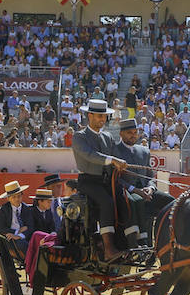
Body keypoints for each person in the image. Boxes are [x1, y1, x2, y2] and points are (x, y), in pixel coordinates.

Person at [72, 97, 128, 260]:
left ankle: (127, 242)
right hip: (87, 181)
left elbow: (116, 157)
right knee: (106, 202)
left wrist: (121, 163)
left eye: (104, 116)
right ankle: (108, 248)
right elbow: (90, 155)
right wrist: (113, 160)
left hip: (106, 181)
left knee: (126, 200)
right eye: (98, 116)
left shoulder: (108, 137)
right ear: (89, 115)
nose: (102, 119)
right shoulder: (79, 136)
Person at [118, 116, 173, 242]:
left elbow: (150, 175)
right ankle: (141, 242)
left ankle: (167, 239)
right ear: (121, 134)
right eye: (129, 133)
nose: (133, 135)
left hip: (147, 191)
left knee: (172, 203)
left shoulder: (144, 151)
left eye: (135, 132)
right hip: (129, 192)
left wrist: (150, 187)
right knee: (138, 201)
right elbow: (116, 179)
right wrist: (135, 190)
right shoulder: (115, 150)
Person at [0, 181, 31, 295]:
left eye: (19, 196)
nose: (17, 199)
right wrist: (16, 233)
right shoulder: (4, 209)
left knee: (31, 244)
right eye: (14, 197)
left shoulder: (26, 208)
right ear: (9, 198)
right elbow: (1, 228)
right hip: (8, 239)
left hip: (23, 237)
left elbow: (30, 226)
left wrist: (20, 234)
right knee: (23, 246)